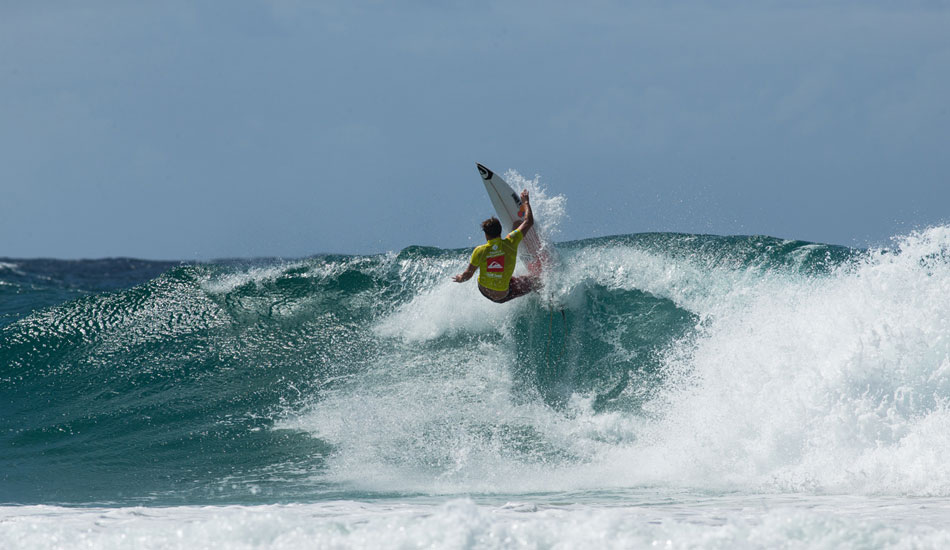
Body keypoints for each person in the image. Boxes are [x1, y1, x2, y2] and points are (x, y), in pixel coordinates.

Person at [453, 189, 538, 303]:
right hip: (502, 295)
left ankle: (507, 279)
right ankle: (550, 297)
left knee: (504, 277)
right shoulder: (511, 242)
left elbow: (468, 275)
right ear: (500, 231)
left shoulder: (479, 250)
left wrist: (460, 278)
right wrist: (526, 202)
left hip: (483, 290)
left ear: (486, 235)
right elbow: (529, 221)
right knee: (535, 281)